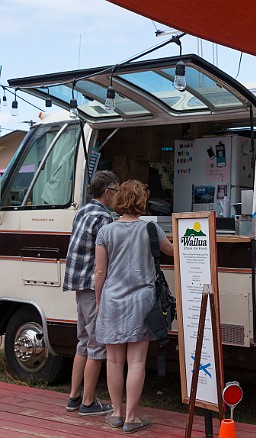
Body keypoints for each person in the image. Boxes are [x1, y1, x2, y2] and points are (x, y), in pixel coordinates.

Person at [94, 179, 174, 432]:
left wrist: (99, 302)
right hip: (142, 302)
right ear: (142, 201)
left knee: (114, 361)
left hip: (112, 301)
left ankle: (116, 413)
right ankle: (131, 418)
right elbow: (173, 252)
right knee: (137, 361)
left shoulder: (106, 232)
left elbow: (99, 272)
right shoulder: (151, 230)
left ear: (118, 200)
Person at [63, 170, 119, 416]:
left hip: (77, 284)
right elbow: (104, 262)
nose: (118, 196)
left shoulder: (84, 210)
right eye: (116, 191)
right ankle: (88, 402)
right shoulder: (105, 219)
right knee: (97, 344)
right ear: (107, 192)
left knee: (83, 342)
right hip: (91, 286)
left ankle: (74, 397)